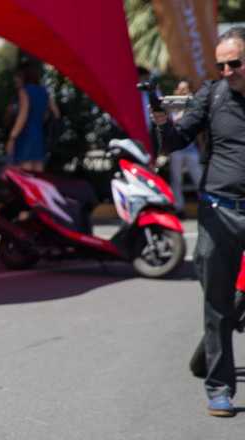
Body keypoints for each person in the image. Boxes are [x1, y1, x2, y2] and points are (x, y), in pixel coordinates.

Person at [152, 26, 245, 417]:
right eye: (221, 64)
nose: (227, 71)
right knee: (218, 304)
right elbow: (177, 140)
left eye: (235, 63)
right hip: (219, 209)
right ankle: (220, 388)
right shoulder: (212, 94)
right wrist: (162, 124)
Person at [5, 60, 60, 172]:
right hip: (39, 137)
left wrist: (12, 137)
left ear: (24, 76)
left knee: (24, 176)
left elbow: (23, 115)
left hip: (25, 137)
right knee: (38, 175)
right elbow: (56, 113)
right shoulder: (44, 92)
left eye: (17, 76)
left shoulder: (24, 91)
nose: (15, 79)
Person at [167, 80, 204, 217]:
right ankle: (179, 207)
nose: (184, 92)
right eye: (182, 89)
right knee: (176, 179)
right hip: (177, 148)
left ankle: (205, 204)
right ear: (177, 91)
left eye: (187, 89)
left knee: (198, 177)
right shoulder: (172, 105)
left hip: (190, 147)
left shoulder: (193, 105)